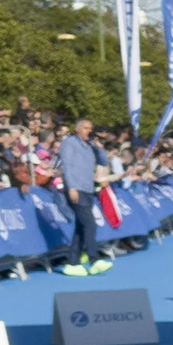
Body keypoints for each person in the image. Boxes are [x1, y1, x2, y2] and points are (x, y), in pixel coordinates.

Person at [56, 118, 113, 276]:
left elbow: (103, 161)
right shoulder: (69, 143)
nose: (89, 130)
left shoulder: (90, 146)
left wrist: (99, 147)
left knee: (81, 226)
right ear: (77, 129)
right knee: (90, 224)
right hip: (76, 188)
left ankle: (73, 262)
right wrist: (71, 187)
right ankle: (94, 259)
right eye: (86, 128)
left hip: (88, 189)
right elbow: (66, 165)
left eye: (91, 128)